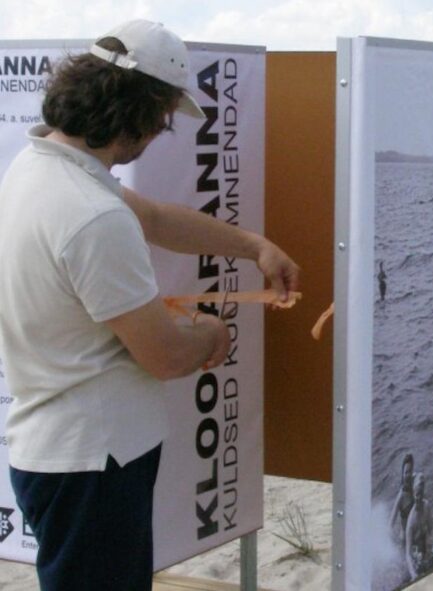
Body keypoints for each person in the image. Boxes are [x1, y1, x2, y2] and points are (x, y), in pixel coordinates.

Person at [0, 20, 299, 591]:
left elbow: (157, 219)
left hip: (57, 452)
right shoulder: (93, 216)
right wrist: (213, 335)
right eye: (161, 119)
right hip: (95, 461)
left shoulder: (38, 168)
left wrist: (254, 247)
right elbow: (165, 356)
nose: (160, 133)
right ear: (135, 112)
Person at [404, 472, 433, 581]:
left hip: (425, 549)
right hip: (416, 556)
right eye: (416, 495)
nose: (419, 498)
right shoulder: (411, 521)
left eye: (421, 494)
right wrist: (413, 574)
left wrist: (430, 545)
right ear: (413, 494)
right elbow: (408, 554)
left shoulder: (427, 506)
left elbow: (431, 529)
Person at [389, 453, 414, 549]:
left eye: (410, 471)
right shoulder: (401, 496)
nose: (408, 475)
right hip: (405, 539)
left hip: (415, 534)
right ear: (402, 474)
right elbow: (390, 525)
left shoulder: (414, 485)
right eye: (406, 472)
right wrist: (395, 540)